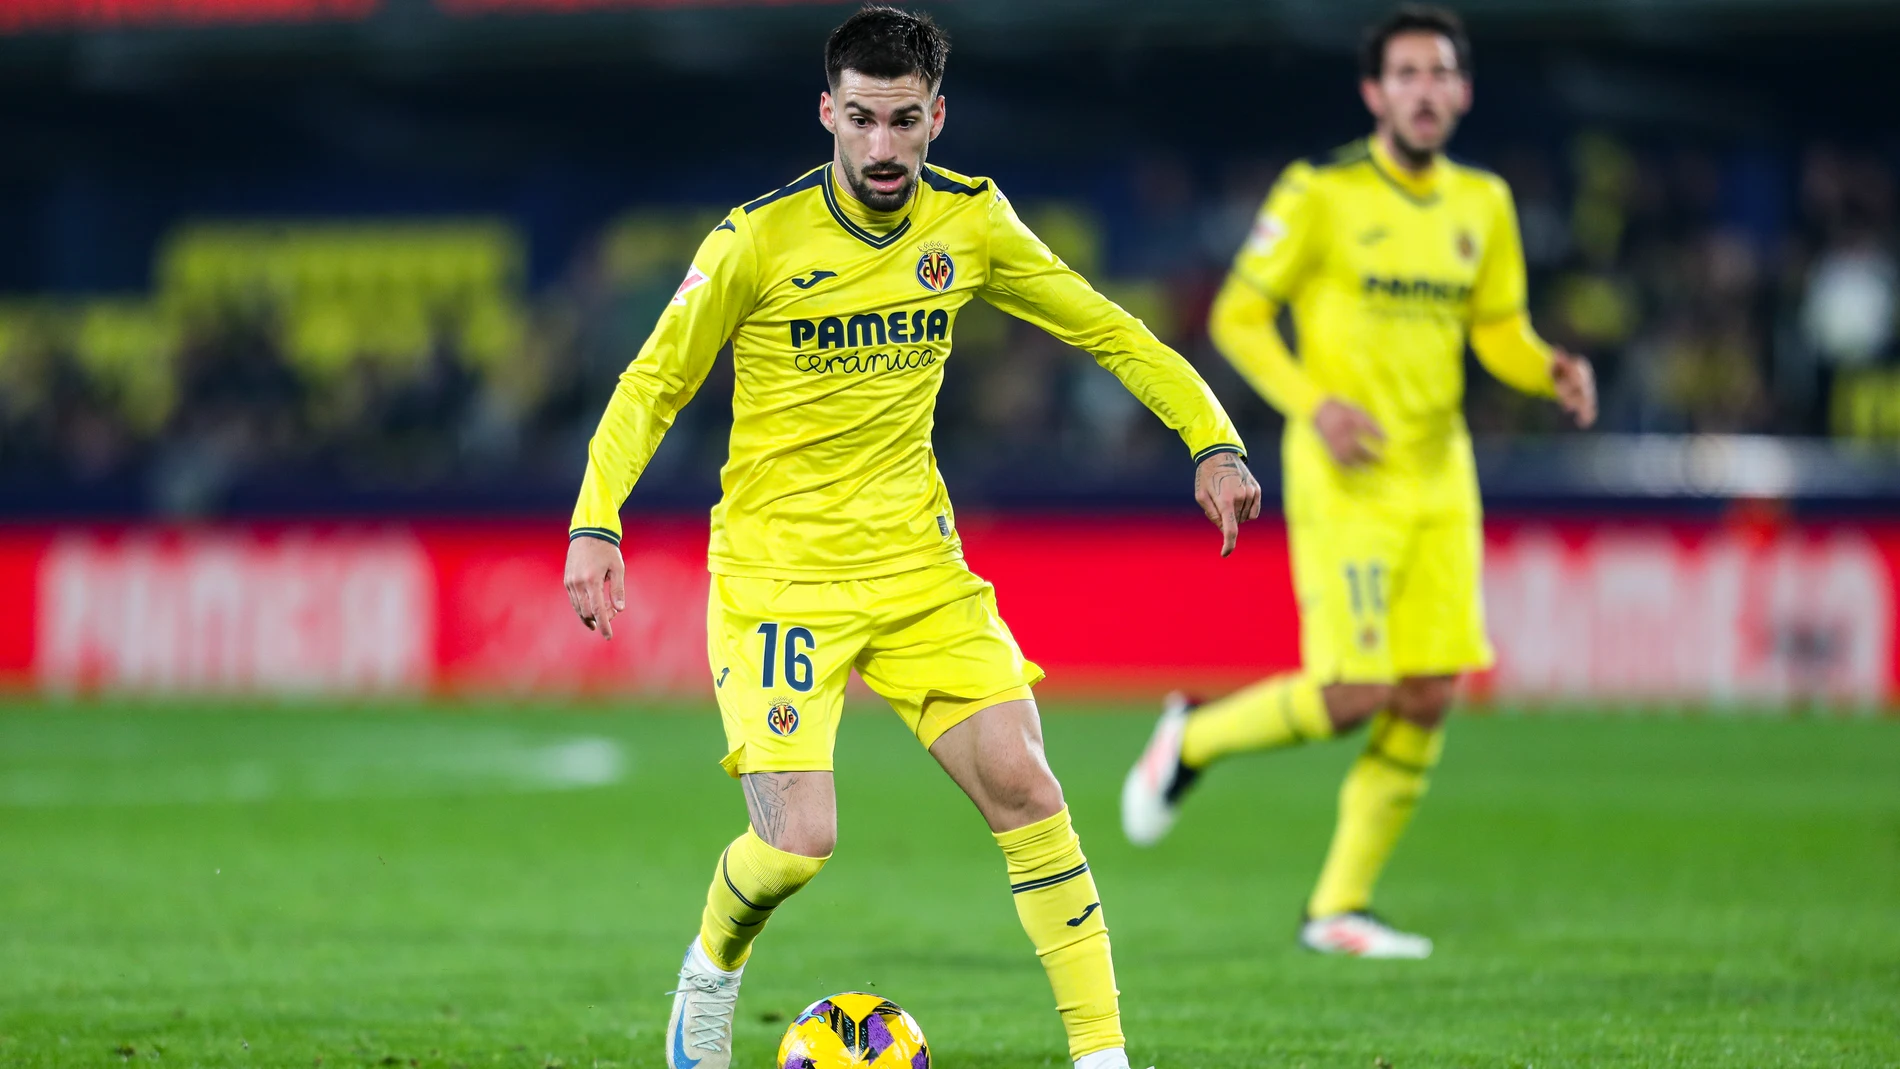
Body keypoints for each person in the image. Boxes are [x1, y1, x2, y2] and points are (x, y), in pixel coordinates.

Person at [561, 7, 1263, 1067]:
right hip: (780, 579)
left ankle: (1102, 1054)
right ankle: (709, 973)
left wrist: (1211, 438)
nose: (880, 147)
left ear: (936, 116)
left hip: (917, 570)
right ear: (826, 115)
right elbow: (651, 384)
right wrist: (595, 520)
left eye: (901, 121)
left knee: (1029, 786)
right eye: (859, 121)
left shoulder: (972, 224)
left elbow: (1103, 325)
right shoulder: (753, 239)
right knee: (797, 845)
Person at [1121, 3, 1597, 959]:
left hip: (1439, 474)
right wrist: (1315, 403)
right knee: (1356, 691)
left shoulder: (1484, 204)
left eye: (1440, 75)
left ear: (1462, 92)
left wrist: (1545, 364)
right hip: (1345, 475)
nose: (1425, 92)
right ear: (1376, 92)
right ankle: (1194, 735)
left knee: (1427, 691)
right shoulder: (1319, 193)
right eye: (1406, 75)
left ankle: (1338, 906)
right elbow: (1241, 316)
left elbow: (1495, 325)